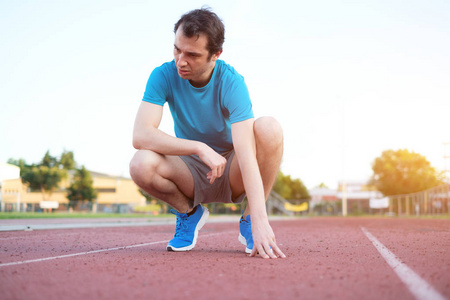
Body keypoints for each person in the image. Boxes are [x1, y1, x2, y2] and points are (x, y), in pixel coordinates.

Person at [130, 7, 285, 259]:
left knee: (269, 128)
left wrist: (260, 218)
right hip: (191, 169)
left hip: (232, 167)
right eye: (177, 49)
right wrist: (199, 148)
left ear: (215, 55)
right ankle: (189, 215)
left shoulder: (231, 82)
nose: (181, 61)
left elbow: (246, 154)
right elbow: (141, 135)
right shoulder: (163, 75)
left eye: (192, 54)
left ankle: (248, 220)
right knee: (140, 164)